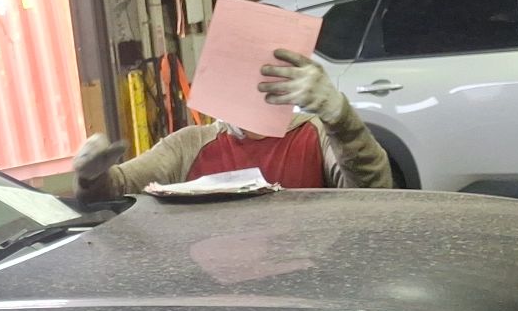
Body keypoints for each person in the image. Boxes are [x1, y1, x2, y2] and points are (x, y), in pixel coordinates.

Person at [74, 47, 392, 205]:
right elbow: (118, 187)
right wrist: (92, 176)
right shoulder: (187, 145)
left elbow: (374, 195)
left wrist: (340, 116)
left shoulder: (316, 134)